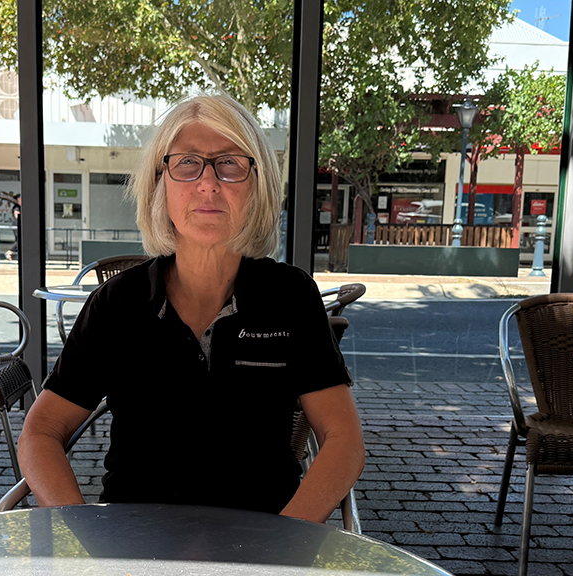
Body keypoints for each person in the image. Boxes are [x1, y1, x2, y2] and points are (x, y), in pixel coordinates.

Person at [18, 94, 364, 523]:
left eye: (231, 163)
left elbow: (343, 438)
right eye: (187, 163)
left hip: (261, 538)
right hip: (136, 543)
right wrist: (81, 536)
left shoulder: (290, 297)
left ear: (256, 185)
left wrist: (287, 545)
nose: (208, 183)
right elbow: (41, 431)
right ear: (160, 182)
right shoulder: (116, 305)